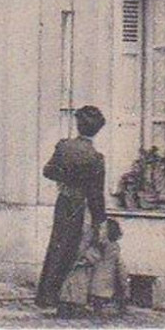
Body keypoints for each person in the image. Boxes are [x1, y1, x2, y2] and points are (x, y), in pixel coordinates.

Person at [36, 104, 108, 310]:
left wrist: (66, 180)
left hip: (63, 200)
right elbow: (96, 195)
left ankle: (46, 296)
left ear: (78, 126)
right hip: (78, 203)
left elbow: (48, 171)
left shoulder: (63, 146)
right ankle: (62, 296)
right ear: (98, 130)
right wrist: (100, 221)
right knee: (71, 249)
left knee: (56, 245)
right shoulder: (95, 158)